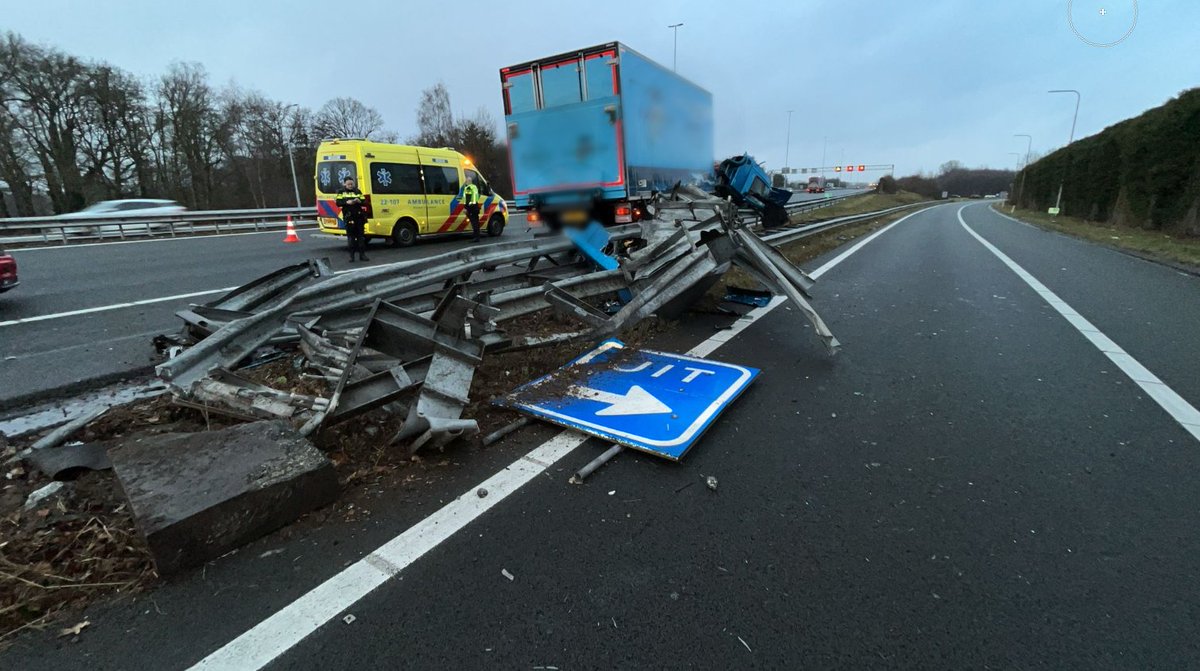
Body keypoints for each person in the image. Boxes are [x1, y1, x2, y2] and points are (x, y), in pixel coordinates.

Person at [336, 176, 368, 262]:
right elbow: (338, 203)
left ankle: (362, 255)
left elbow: (364, 201)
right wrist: (346, 202)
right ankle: (352, 256)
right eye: (348, 184)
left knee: (361, 237)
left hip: (359, 216)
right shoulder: (341, 192)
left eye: (351, 184)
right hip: (349, 217)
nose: (350, 186)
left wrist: (359, 201)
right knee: (351, 238)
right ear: (344, 184)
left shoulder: (357, 191)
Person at [461, 173, 481, 242]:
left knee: (474, 223)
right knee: (476, 222)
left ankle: (476, 237)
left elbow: (468, 199)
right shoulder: (474, 187)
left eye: (467, 181)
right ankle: (477, 236)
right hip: (475, 207)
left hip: (472, 208)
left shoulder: (468, 188)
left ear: (468, 182)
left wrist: (466, 208)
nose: (466, 182)